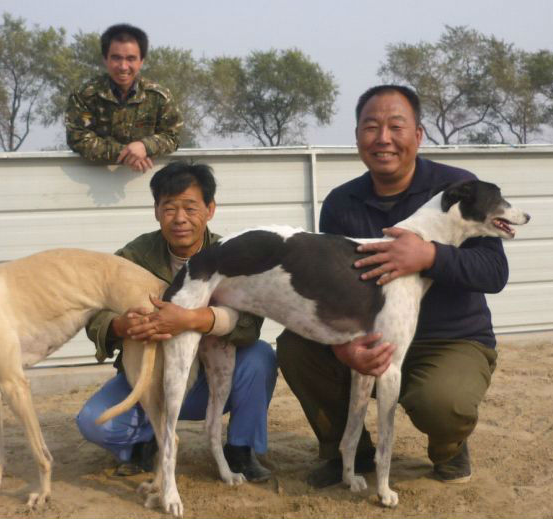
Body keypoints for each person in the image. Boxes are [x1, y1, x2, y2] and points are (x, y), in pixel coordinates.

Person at [277, 85, 506, 488]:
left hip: (447, 340)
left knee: (444, 403)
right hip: (368, 335)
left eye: (395, 126)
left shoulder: (459, 189)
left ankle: (449, 448)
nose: (383, 138)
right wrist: (341, 344)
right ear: (358, 137)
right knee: (296, 346)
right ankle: (348, 452)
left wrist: (429, 256)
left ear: (418, 135)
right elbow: (329, 287)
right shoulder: (341, 203)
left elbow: (493, 271)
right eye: (371, 127)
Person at [76, 161, 277, 482]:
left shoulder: (231, 256)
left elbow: (250, 324)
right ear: (156, 211)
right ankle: (145, 442)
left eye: (190, 207)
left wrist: (192, 319)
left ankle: (241, 449)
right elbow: (95, 312)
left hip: (210, 381)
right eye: (169, 208)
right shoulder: (133, 256)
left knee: (260, 355)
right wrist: (120, 326)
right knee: (93, 420)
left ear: (210, 209)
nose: (180, 218)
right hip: (150, 380)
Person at [65, 23, 182, 173]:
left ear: (142, 61)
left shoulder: (159, 96)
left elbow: (173, 136)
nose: (123, 66)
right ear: (105, 59)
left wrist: (145, 146)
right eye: (116, 58)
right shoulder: (85, 97)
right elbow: (79, 138)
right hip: (95, 181)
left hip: (148, 180)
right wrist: (127, 153)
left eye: (131, 59)